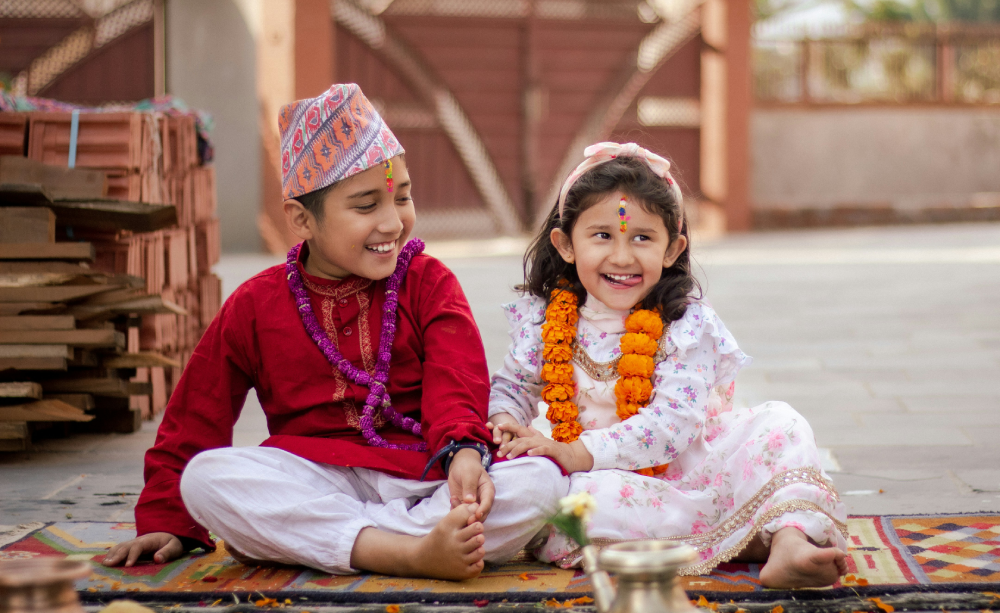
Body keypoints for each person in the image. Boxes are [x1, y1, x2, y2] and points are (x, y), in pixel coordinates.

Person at [102, 83, 567, 581]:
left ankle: (350, 542)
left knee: (540, 480)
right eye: (366, 206)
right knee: (203, 480)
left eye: (402, 198)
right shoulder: (255, 305)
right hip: (316, 479)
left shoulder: (429, 282)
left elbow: (458, 385)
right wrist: (166, 516)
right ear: (302, 219)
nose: (393, 222)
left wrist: (464, 452)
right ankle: (407, 550)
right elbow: (196, 412)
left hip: (428, 476)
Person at [487, 142, 848, 589]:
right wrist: (506, 425)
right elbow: (512, 386)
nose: (622, 257)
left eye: (642, 237)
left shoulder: (686, 322)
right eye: (602, 235)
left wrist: (579, 452)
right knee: (570, 501)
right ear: (565, 244)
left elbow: (672, 424)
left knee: (782, 424)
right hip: (601, 481)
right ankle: (749, 533)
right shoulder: (543, 317)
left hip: (693, 469)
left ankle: (791, 540)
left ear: (672, 249)